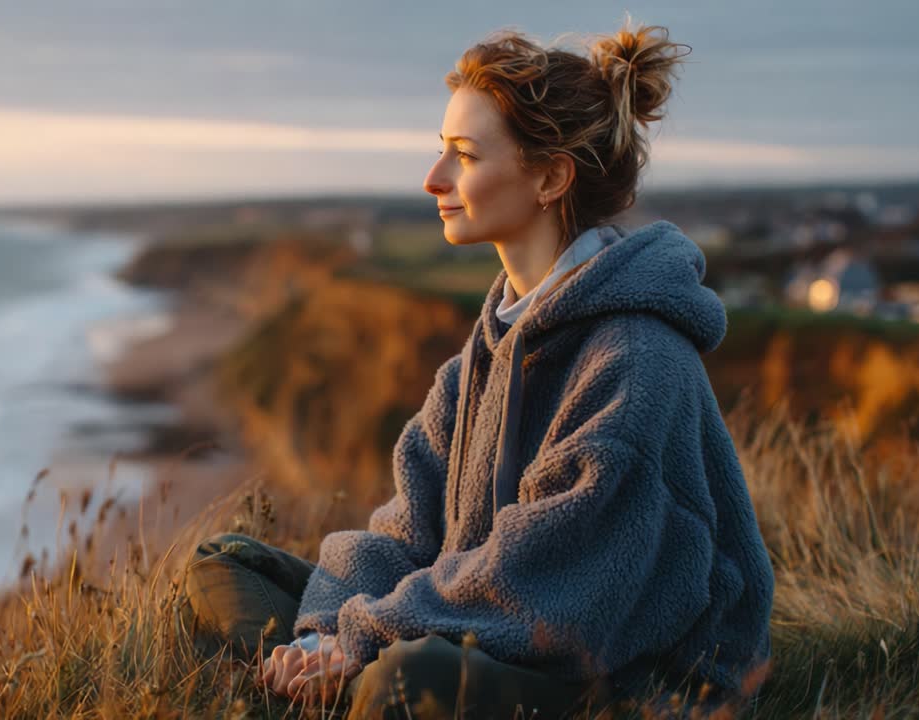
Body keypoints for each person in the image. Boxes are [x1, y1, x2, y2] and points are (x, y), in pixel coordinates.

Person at [185, 16, 775, 719]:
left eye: (464, 155)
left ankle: (332, 693)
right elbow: (404, 532)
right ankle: (318, 687)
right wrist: (324, 633)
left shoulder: (635, 358)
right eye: (442, 150)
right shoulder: (488, 350)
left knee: (409, 678)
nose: (434, 178)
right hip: (480, 624)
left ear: (551, 175)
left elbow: (551, 587)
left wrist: (364, 638)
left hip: (617, 672)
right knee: (224, 564)